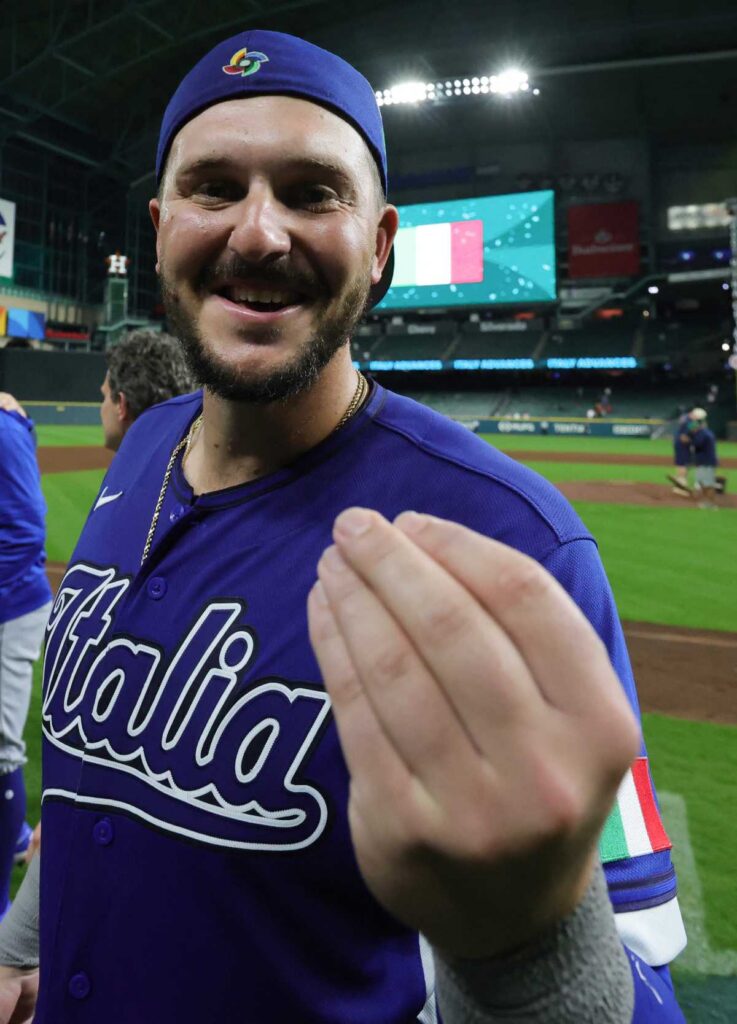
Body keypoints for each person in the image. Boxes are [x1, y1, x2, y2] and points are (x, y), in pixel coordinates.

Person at [0, 31, 686, 1023]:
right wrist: (21, 943)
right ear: (158, 227)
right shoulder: (142, 448)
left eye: (311, 191)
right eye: (214, 186)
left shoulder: (519, 542)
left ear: (380, 245)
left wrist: (520, 946)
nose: (259, 232)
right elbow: (88, 796)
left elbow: (642, 969)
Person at [0, 399, 53, 923]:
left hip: (12, 607)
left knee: (0, 745)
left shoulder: (3, 429)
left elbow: (25, 536)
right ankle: (13, 834)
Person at [100, 328, 194, 451]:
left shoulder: (129, 469)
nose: (102, 407)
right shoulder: (188, 462)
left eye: (104, 397)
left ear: (121, 405)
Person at [689, 407, 719, 509]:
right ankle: (707, 502)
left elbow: (697, 444)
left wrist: (693, 434)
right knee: (702, 483)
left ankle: (712, 504)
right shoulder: (704, 432)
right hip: (702, 461)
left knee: (708, 484)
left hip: (706, 462)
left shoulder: (704, 433)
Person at [667, 411, 693, 495]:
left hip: (680, 445)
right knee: (682, 465)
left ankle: (679, 485)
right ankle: (681, 487)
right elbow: (684, 438)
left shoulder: (687, 420)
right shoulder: (689, 422)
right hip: (682, 446)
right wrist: (694, 443)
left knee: (683, 465)